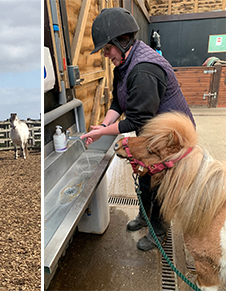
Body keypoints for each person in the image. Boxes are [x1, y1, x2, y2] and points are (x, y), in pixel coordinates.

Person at [80, 7, 195, 251]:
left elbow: (136, 119)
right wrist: (103, 124)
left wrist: (102, 133)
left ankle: (158, 229)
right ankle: (144, 215)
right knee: (145, 175)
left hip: (171, 138)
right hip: (151, 130)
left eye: (107, 49)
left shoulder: (143, 69)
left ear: (120, 41)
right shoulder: (123, 64)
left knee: (162, 184)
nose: (105, 55)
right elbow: (119, 102)